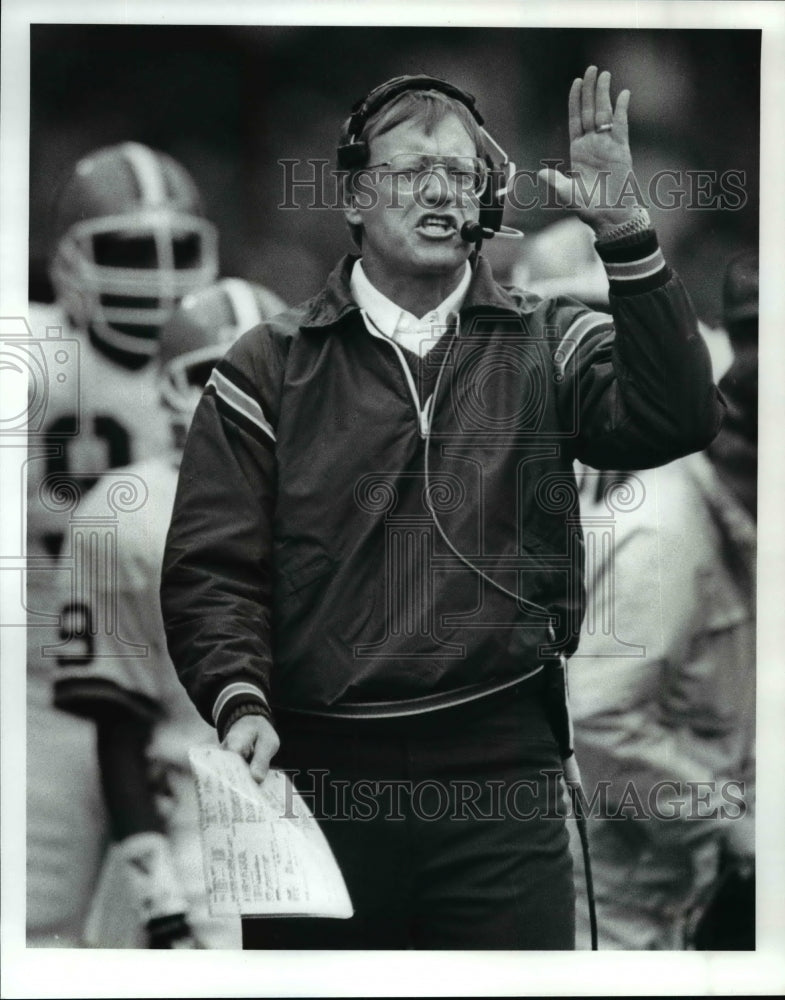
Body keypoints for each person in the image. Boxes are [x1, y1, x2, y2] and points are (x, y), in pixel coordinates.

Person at [160, 68, 725, 950]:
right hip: (316, 785)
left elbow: (680, 414)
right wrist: (240, 703)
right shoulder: (265, 366)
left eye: (461, 175)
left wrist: (621, 228)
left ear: (487, 202)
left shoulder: (551, 339)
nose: (438, 191)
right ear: (352, 196)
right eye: (408, 170)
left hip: (503, 783)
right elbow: (212, 570)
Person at [50, 278, 287, 949]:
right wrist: (157, 895)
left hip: (332, 806)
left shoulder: (336, 490)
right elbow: (119, 722)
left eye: (267, 372)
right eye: (214, 374)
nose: (246, 394)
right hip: (201, 821)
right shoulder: (126, 511)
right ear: (171, 388)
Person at [25, 141, 219, 946]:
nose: (156, 277)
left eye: (176, 251)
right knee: (35, 924)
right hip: (48, 691)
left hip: (186, 701)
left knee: (197, 933)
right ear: (67, 262)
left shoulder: (223, 350)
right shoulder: (30, 351)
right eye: (130, 251)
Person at [568, 251, 758, 949]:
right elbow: (595, 720)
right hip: (608, 906)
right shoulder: (667, 535)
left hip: (677, 893)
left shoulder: (739, 529)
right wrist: (732, 819)